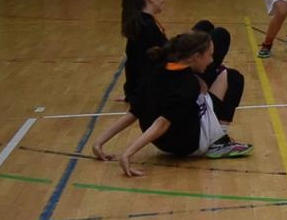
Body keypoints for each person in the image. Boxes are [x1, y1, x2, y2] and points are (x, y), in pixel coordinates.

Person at [91, 30, 252, 176]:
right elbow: (163, 123)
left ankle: (215, 136)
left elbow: (134, 113)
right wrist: (128, 154)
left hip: (161, 141)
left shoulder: (159, 68)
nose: (211, 60)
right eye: (209, 55)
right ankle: (218, 142)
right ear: (196, 56)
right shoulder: (188, 84)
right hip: (186, 144)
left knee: (219, 65)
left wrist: (100, 142)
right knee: (233, 77)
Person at [119, 0, 233, 103]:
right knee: (221, 35)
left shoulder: (142, 22)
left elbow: (131, 63)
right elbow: (165, 58)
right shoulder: (147, 27)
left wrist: (130, 92)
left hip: (159, 73)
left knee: (205, 25)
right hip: (166, 80)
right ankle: (208, 74)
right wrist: (133, 94)